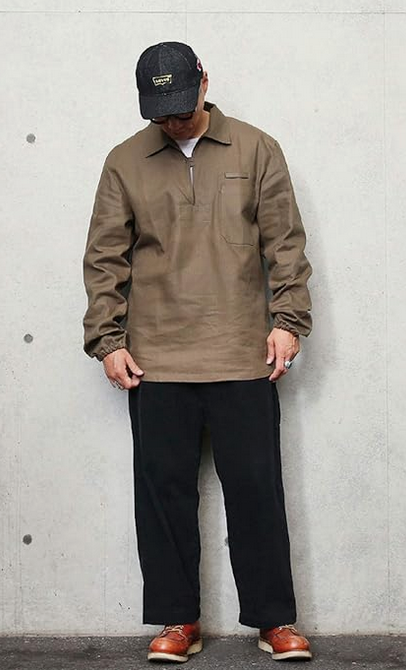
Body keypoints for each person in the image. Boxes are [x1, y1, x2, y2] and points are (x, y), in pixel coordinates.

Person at [82, 41, 313, 663]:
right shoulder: (124, 161)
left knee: (256, 490)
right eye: (160, 113)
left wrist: (289, 322)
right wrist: (107, 340)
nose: (174, 122)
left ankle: (273, 619)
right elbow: (104, 258)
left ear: (205, 83)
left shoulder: (256, 148)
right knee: (163, 496)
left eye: (182, 109)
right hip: (155, 357)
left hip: (242, 352)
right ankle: (177, 620)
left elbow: (285, 245)